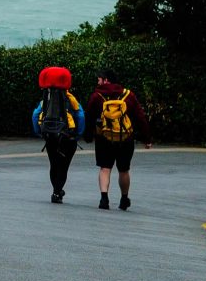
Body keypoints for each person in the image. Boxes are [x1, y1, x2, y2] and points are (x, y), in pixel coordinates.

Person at [86, 74, 147, 211]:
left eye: (99, 79)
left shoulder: (97, 96)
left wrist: (88, 136)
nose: (98, 82)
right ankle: (124, 198)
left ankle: (104, 198)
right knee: (124, 170)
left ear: (106, 80)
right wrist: (146, 138)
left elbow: (89, 116)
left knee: (105, 168)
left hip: (104, 137)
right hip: (126, 138)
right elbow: (140, 117)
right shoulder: (128, 95)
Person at [31, 65, 82, 203]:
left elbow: (35, 115)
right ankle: (58, 191)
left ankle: (55, 190)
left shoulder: (45, 100)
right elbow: (80, 116)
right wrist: (78, 134)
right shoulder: (70, 98)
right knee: (64, 166)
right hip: (68, 137)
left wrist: (39, 132)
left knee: (53, 164)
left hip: (50, 135)